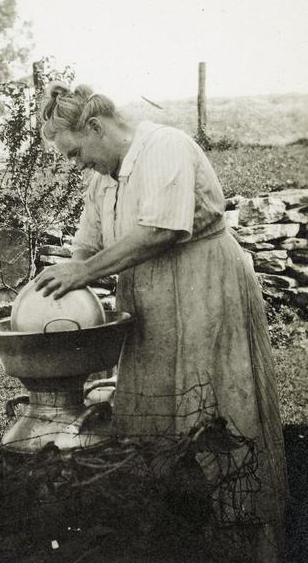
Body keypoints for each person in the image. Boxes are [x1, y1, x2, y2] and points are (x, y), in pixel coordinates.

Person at [35, 82, 288, 561]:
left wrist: (86, 272)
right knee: (155, 410)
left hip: (203, 286)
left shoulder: (164, 147)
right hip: (148, 299)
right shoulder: (103, 177)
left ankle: (244, 536)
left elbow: (161, 229)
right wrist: (57, 288)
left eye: (74, 152)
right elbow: (85, 248)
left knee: (216, 403)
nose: (75, 164)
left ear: (94, 126)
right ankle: (176, 533)